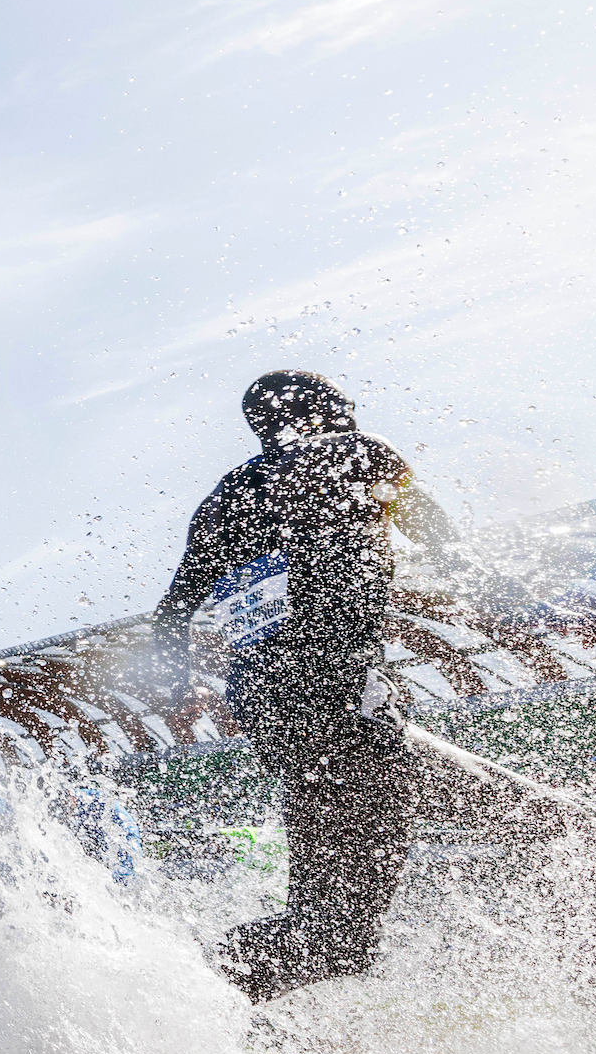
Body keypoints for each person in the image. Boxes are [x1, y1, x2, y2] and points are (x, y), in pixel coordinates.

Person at [148, 369, 455, 1002]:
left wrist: (183, 697)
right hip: (337, 683)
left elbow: (171, 617)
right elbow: (445, 541)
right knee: (354, 901)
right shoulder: (359, 450)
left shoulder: (226, 496)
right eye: (344, 405)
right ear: (328, 409)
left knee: (330, 894)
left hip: (266, 701)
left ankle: (195, 992)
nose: (351, 414)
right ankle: (196, 990)